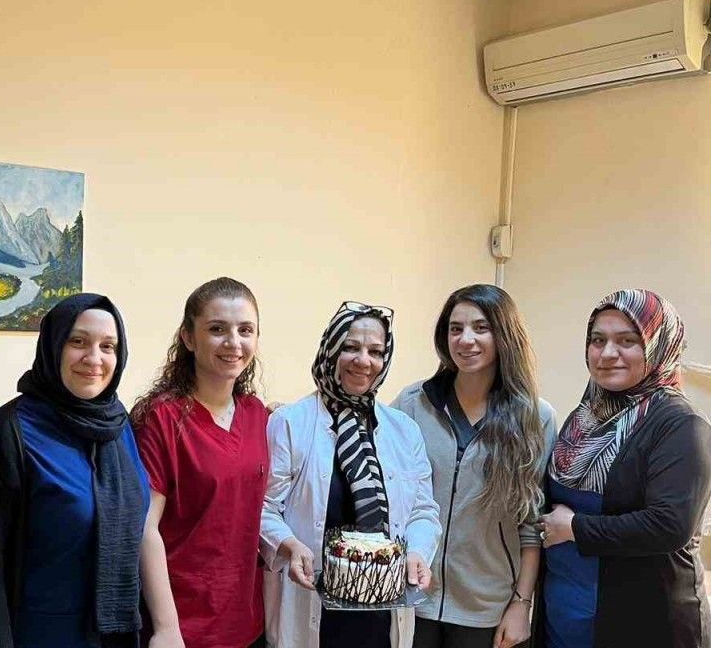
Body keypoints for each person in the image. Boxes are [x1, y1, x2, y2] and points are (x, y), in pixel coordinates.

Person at [0, 293, 149, 648]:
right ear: (53, 345)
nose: (94, 358)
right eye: (78, 341)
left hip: (113, 635)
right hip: (36, 634)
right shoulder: (5, 433)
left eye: (107, 346)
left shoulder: (118, 425)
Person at [536, 289, 711, 648]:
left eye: (627, 341)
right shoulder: (584, 417)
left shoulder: (682, 426)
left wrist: (575, 528)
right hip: (566, 613)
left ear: (658, 345)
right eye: (598, 340)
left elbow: (669, 526)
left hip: (643, 621)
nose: (607, 353)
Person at [261, 301, 440, 648]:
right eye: (351, 347)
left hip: (383, 610)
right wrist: (290, 545)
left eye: (376, 351)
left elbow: (422, 510)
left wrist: (418, 551)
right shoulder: (289, 423)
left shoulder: (404, 430)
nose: (363, 361)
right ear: (330, 350)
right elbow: (265, 507)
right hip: (310, 604)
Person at [392, 284, 556, 648]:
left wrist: (521, 604)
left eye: (481, 328)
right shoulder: (413, 403)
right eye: (456, 328)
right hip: (412, 596)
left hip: (487, 608)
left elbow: (532, 524)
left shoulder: (535, 417)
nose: (466, 339)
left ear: (505, 335)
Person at [132, 277, 270, 648]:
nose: (233, 342)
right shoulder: (161, 418)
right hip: (181, 626)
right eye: (217, 329)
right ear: (189, 338)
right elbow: (145, 527)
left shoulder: (258, 415)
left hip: (247, 624)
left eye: (245, 330)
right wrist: (166, 627)